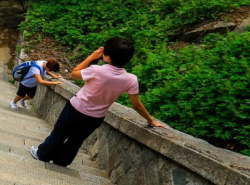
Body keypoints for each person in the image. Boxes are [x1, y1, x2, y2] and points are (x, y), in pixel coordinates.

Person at [32, 37, 166, 166]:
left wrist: (92, 56)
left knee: (59, 134)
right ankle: (61, 161)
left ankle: (42, 154)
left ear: (106, 55)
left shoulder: (96, 70)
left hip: (75, 109)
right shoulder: (131, 79)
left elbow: (74, 73)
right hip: (95, 117)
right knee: (76, 140)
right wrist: (151, 120)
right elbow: (137, 105)